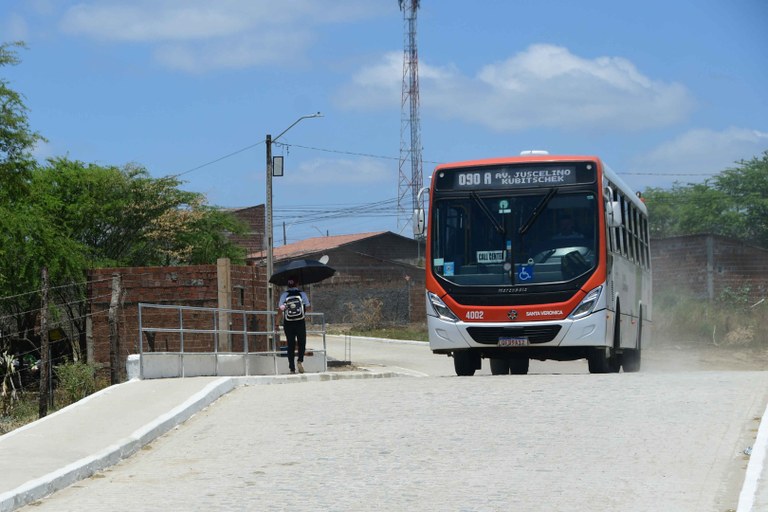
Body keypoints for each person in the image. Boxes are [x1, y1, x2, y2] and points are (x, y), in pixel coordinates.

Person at [278, 277, 311, 374]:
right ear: (297, 284)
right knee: (302, 343)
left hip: (288, 323)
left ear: (288, 285)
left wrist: (276, 323)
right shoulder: (302, 294)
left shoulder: (284, 295)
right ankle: (300, 360)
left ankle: (292, 368)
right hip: (300, 322)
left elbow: (280, 309)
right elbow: (308, 307)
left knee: (290, 345)